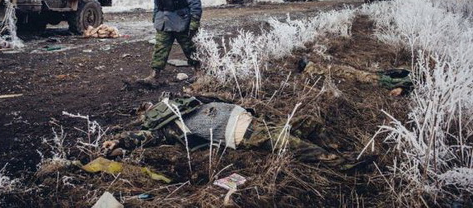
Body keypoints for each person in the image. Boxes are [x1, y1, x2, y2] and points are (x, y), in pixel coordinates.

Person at [102, 95, 340, 164]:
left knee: (310, 121)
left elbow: (217, 99)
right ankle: (346, 163)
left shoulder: (188, 102)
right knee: (304, 149)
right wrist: (120, 141)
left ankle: (337, 147)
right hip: (245, 134)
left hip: (251, 121)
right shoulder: (167, 128)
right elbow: (143, 136)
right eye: (148, 110)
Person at [144, 0, 202, 83]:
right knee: (160, 48)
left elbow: (194, 1)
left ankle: (199, 72)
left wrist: (194, 22)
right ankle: (154, 74)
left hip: (182, 21)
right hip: (163, 19)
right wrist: (155, 16)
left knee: (190, 48)